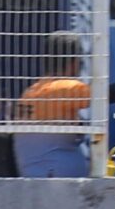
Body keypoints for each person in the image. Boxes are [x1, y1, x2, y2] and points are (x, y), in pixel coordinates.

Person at [11, 33, 93, 177]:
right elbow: (102, 98)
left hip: (39, 176)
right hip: (54, 180)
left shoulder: (32, 91)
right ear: (74, 62)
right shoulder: (64, 87)